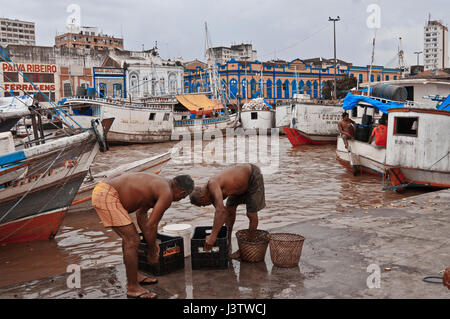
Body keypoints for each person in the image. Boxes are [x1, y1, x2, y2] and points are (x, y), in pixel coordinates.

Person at [91, 173, 194, 299]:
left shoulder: (160, 185)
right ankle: (132, 288)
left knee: (129, 238)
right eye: (182, 197)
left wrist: (152, 240)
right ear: (182, 192)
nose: (179, 199)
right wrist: (152, 252)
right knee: (132, 240)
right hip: (106, 195)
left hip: (104, 189)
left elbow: (142, 215)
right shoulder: (167, 194)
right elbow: (152, 225)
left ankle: (135, 277)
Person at [189, 164, 266, 259]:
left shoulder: (212, 184)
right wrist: (215, 234)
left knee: (251, 214)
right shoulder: (211, 196)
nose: (205, 205)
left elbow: (220, 211)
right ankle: (228, 244)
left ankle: (246, 248)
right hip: (238, 188)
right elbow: (223, 214)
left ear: (202, 197)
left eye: (203, 204)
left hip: (252, 177)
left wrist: (213, 236)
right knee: (230, 211)